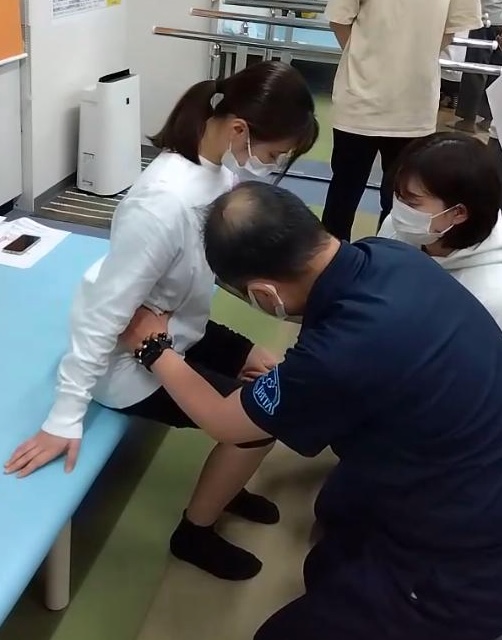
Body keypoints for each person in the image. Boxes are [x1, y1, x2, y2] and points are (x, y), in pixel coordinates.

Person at [121, 181, 502, 640]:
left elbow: (226, 421)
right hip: (462, 451)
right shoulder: (387, 255)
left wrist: (152, 348)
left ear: (265, 294)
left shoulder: (338, 353)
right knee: (332, 521)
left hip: (470, 549)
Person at [3, 61, 319, 581]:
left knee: (267, 370)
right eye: (273, 154)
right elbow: (103, 316)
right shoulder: (162, 204)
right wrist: (64, 416)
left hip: (178, 326)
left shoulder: (218, 172)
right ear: (240, 130)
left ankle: (229, 483)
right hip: (126, 358)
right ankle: (194, 534)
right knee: (259, 423)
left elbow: (206, 268)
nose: (272, 165)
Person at [322, 0, 482, 241]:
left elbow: (338, 20)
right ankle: (345, 258)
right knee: (350, 195)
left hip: (400, 103)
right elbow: (451, 29)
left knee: (398, 201)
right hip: (379, 100)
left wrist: (369, 59)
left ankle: (379, 257)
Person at [379, 132, 502, 328]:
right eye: (398, 195)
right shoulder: (397, 228)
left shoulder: (489, 295)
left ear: (458, 213)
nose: (399, 209)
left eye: (412, 203)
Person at [451, 1, 502, 132]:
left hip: (486, 19)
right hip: (499, 20)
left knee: (475, 68)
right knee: (496, 72)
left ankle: (468, 119)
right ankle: (489, 119)